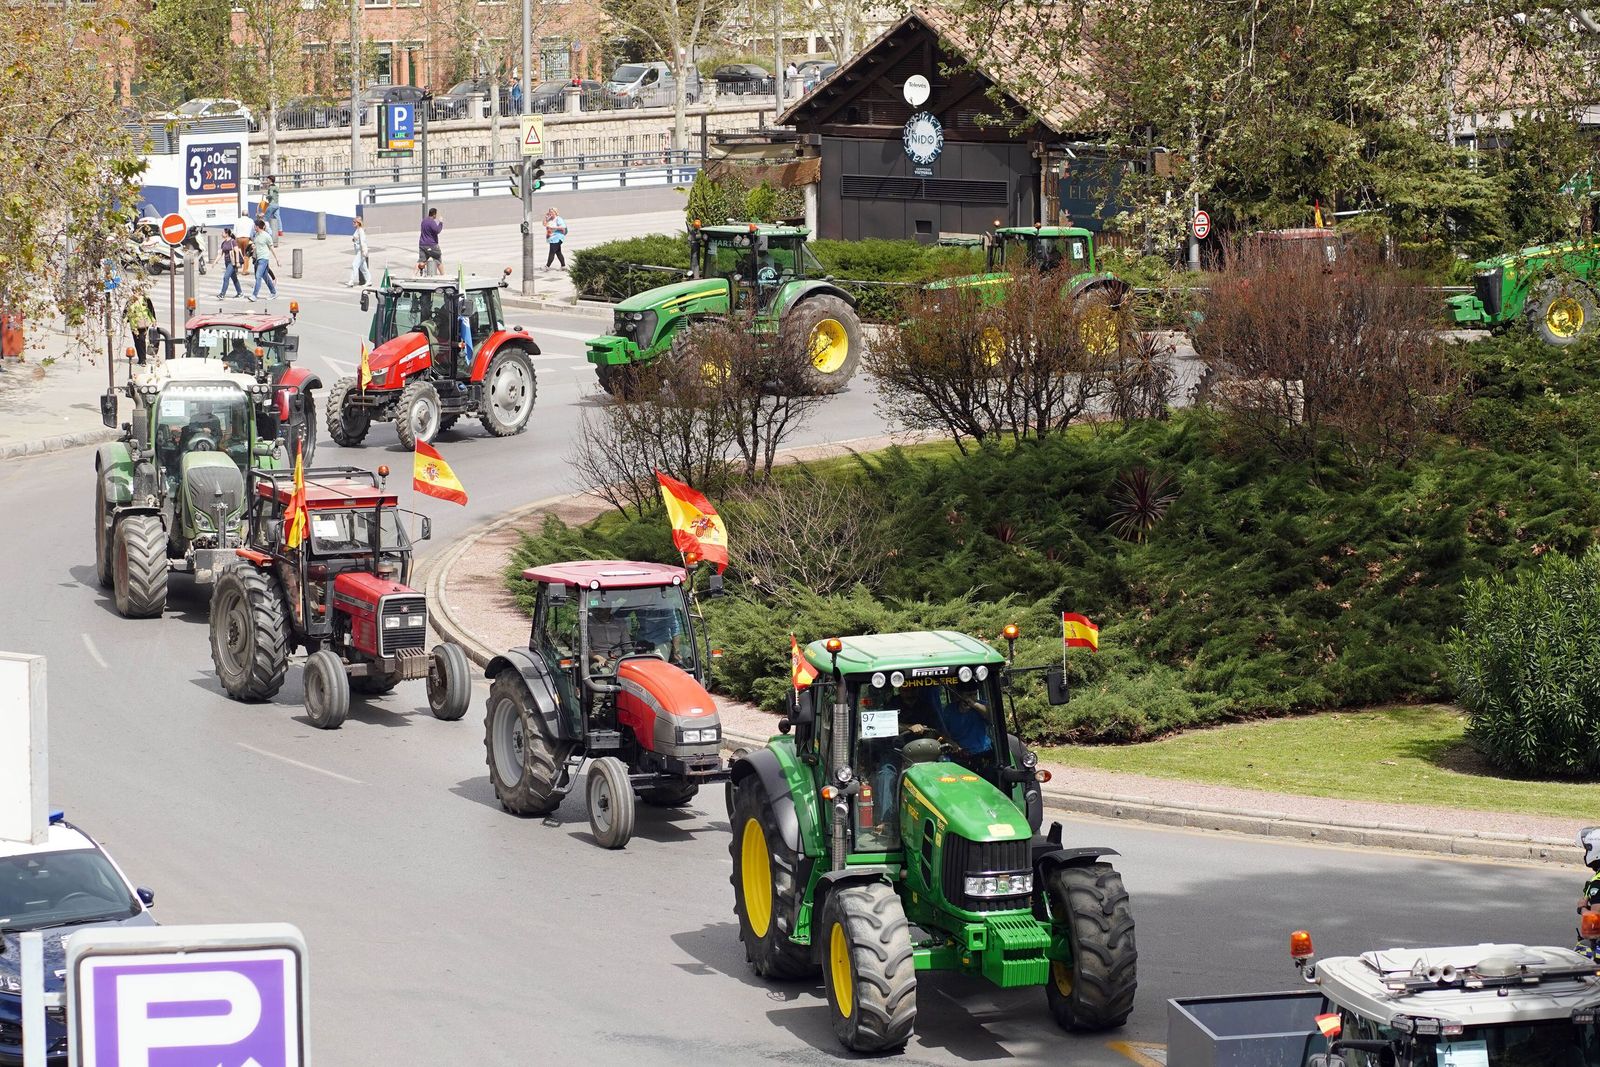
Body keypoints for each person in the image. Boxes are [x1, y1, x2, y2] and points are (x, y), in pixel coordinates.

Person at [1576, 827, 1600, 959]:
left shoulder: (1598, 882)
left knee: (1582, 949)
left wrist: (1582, 908)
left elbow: (1594, 924)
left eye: (1588, 849)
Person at [248, 219, 278, 301]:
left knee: (258, 276)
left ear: (257, 226)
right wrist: (253, 248)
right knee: (265, 277)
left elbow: (271, 247)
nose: (253, 227)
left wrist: (277, 259)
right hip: (257, 259)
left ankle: (254, 295)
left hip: (264, 259)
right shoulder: (256, 235)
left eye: (254, 225)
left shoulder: (266, 236)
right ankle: (273, 292)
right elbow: (256, 245)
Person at [125, 295, 156, 365]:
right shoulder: (130, 301)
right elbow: (126, 312)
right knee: (137, 341)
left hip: (143, 324)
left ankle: (143, 359)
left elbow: (151, 310)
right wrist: (124, 320)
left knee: (141, 339)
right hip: (134, 325)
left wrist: (154, 320)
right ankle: (140, 358)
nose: (136, 294)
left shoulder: (145, 299)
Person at [215, 231, 243, 298]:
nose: (221, 234)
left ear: (227, 234)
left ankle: (222, 294)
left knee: (226, 277)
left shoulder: (233, 241)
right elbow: (220, 254)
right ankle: (240, 293)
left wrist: (237, 262)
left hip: (232, 262)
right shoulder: (224, 243)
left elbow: (236, 251)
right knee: (234, 278)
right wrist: (215, 262)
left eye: (223, 232)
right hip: (227, 262)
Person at [418, 207, 443, 276]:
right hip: (431, 245)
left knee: (421, 261)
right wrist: (440, 222)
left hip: (422, 244)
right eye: (436, 214)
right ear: (434, 214)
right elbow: (437, 230)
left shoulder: (424, 221)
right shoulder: (432, 222)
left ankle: (413, 275)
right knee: (438, 259)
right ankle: (443, 275)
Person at [347, 217, 369, 288]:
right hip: (358, 251)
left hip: (361, 251)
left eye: (354, 222)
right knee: (363, 268)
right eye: (353, 222)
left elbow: (363, 242)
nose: (353, 223)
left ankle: (351, 281)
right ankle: (369, 281)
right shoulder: (357, 230)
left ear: (358, 223)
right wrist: (354, 239)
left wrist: (364, 251)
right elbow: (356, 239)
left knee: (354, 265)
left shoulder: (360, 230)